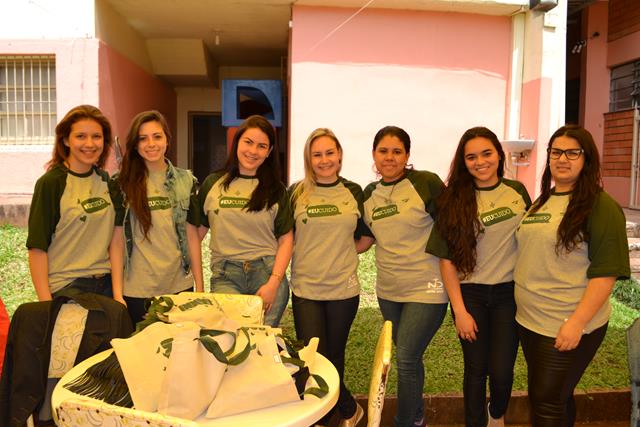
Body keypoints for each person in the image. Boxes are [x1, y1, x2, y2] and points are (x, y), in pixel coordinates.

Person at [514, 124, 630, 426]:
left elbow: (605, 274)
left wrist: (576, 323)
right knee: (556, 398)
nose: (562, 159)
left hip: (565, 322)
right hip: (531, 321)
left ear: (586, 159)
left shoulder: (601, 206)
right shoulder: (544, 200)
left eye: (572, 153)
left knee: (546, 401)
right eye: (556, 152)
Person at [427, 127, 531, 427]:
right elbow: (446, 261)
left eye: (487, 153)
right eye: (471, 157)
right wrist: (459, 311)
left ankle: (496, 414)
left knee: (502, 371)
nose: (480, 162)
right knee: (476, 369)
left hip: (509, 294)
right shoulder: (454, 200)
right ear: (464, 162)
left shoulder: (517, 191)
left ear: (499, 154)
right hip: (470, 293)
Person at [357, 126, 448, 427]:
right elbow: (365, 240)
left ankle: (405, 422)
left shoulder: (426, 183)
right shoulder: (369, 195)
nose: (390, 157)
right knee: (409, 357)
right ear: (374, 154)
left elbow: (451, 224)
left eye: (397, 151)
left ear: (407, 155)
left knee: (406, 356)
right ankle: (418, 416)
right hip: (389, 290)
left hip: (427, 286)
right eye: (383, 151)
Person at [289, 128, 366, 427]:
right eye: (317, 154)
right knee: (313, 358)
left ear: (339, 155)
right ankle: (347, 409)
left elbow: (365, 238)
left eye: (329, 153)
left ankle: (325, 418)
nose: (324, 160)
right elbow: (286, 237)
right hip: (306, 289)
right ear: (308, 158)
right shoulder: (296, 192)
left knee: (334, 355)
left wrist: (338, 253)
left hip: (343, 291)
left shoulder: (354, 191)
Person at [197, 115, 293, 327]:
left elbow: (286, 240)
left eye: (261, 146)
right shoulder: (213, 183)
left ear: (269, 152)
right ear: (237, 142)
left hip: (267, 274)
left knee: (262, 341)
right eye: (248, 142)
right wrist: (197, 282)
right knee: (231, 340)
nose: (253, 151)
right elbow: (195, 234)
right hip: (226, 276)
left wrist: (274, 283)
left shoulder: (276, 190)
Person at [110, 110, 204, 325]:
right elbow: (117, 242)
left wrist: (199, 287)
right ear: (135, 145)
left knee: (180, 345)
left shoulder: (185, 181)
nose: (151, 144)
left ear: (167, 140)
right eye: (143, 138)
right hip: (137, 290)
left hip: (179, 286)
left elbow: (191, 236)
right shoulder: (121, 183)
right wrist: (117, 293)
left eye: (157, 136)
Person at [26, 105, 122, 300]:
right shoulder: (51, 183)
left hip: (105, 284)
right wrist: (46, 305)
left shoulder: (106, 181)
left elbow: (115, 240)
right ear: (65, 140)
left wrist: (118, 294)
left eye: (96, 136)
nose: (90, 143)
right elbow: (37, 248)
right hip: (67, 286)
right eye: (80, 136)